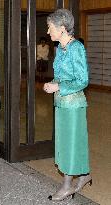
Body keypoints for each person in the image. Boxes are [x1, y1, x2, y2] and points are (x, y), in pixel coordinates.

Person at [43, 9, 91, 201]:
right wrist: (52, 84)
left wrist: (58, 86)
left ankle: (67, 186)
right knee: (66, 143)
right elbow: (61, 76)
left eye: (50, 28)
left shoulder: (76, 48)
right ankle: (85, 174)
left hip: (73, 105)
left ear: (62, 29)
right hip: (61, 103)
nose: (48, 32)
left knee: (71, 144)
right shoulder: (60, 49)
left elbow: (82, 80)